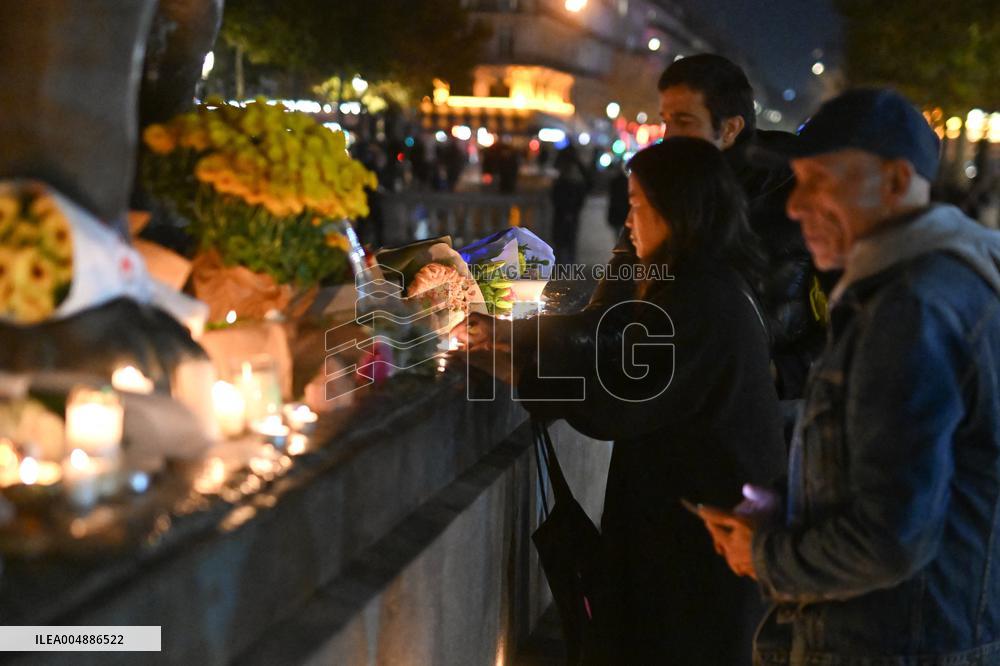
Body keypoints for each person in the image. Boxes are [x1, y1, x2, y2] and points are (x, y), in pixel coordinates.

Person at [456, 137, 786, 664]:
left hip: (701, 548)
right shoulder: (708, 281)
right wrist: (509, 342)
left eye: (637, 206)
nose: (628, 224)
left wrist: (504, 363)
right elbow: (611, 345)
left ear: (680, 212)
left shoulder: (698, 298)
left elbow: (617, 398)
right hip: (692, 530)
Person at [698, 89, 1000, 665]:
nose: (795, 205)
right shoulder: (926, 286)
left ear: (894, 181)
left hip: (892, 644)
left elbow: (892, 539)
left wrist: (765, 555)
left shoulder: (913, 310)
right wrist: (793, 506)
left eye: (820, 181)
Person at [629, 54, 824, 402]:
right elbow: (617, 289)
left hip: (764, 411)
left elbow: (847, 320)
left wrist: (777, 373)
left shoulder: (799, 193)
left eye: (684, 121)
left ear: (730, 129)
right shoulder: (662, 188)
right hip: (667, 398)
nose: (669, 137)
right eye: (666, 121)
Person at [550, 143, 590, 265]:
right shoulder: (569, 183)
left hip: (566, 214)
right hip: (565, 215)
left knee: (565, 241)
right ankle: (565, 265)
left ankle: (565, 265)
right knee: (565, 241)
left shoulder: (568, 183)